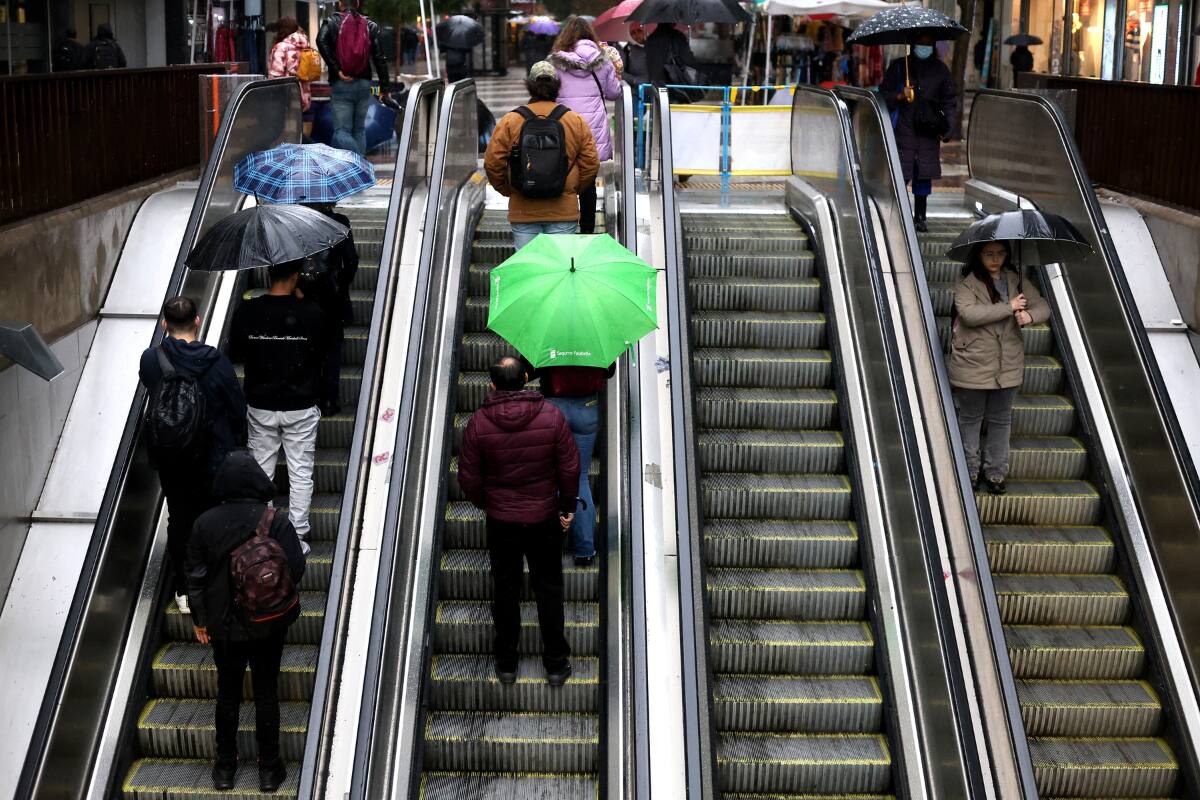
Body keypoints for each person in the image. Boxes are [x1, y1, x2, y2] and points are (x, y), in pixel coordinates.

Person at [186, 451, 305, 792]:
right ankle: (269, 769)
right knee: (266, 692)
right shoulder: (275, 520)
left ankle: (224, 768)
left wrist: (201, 619)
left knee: (228, 693)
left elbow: (194, 575)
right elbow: (296, 568)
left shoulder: (204, 522)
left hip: (224, 627)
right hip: (268, 622)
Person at [457, 356, 580, 686]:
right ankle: (555, 664)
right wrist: (566, 507)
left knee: (506, 590)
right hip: (543, 519)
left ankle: (507, 662)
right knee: (549, 590)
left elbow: (468, 479)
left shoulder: (478, 424)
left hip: (502, 522)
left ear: (492, 385)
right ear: (526, 379)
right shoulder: (552, 417)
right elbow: (569, 468)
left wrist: (491, 503)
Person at [139, 296, 247, 614]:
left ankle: (184, 589)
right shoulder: (215, 362)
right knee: (217, 518)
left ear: (164, 324)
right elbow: (237, 408)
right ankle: (219, 582)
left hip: (173, 458)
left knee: (180, 520)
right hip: (213, 457)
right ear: (197, 321)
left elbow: (153, 389)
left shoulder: (152, 359)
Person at [229, 260, 326, 554]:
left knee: (261, 472)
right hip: (300, 403)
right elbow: (322, 355)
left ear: (268, 274)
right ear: (296, 276)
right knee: (300, 472)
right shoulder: (311, 313)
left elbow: (235, 352)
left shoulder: (248, 311)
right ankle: (296, 536)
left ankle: (264, 536)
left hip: (260, 402)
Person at [948, 241, 1050, 495]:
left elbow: (1043, 306)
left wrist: (1030, 316)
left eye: (1000, 253)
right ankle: (968, 470)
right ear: (979, 255)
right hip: (972, 362)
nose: (996, 259)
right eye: (989, 254)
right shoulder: (967, 283)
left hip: (1008, 363)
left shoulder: (1016, 280)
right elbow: (970, 315)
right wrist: (1009, 307)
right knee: (970, 418)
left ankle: (996, 472)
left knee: (1001, 419)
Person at [484, 61, 600, 251]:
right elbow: (591, 164)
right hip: (563, 211)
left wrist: (512, 189)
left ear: (530, 86)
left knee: (529, 272)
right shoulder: (574, 121)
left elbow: (492, 163)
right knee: (559, 272)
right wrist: (570, 188)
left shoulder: (510, 121)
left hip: (523, 211)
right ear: (557, 87)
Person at [549, 17, 622, 235]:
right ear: (590, 36)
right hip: (592, 130)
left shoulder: (555, 62)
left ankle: (563, 228)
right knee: (588, 181)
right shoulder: (604, 60)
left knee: (564, 178)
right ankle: (587, 230)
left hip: (564, 126)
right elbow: (614, 93)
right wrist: (617, 74)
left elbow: (548, 94)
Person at [537, 362, 614, 565]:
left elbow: (532, 368)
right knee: (580, 476)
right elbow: (609, 371)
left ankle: (549, 546)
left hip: (552, 408)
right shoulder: (595, 336)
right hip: (587, 408)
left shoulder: (549, 334)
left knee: (550, 475)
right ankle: (585, 550)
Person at [880, 35, 957, 232]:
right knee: (899, 173)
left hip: (928, 131)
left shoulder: (941, 70)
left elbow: (949, 101)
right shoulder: (899, 67)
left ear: (933, 45)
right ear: (913, 44)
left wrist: (948, 128)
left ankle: (920, 217)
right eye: (920, 43)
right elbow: (882, 94)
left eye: (927, 43)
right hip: (902, 130)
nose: (924, 46)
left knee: (923, 174)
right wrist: (899, 95)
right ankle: (896, 215)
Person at [299, 202, 359, 416]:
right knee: (332, 350)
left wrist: (297, 289)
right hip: (332, 298)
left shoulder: (296, 221)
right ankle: (329, 401)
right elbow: (351, 260)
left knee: (307, 348)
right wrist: (340, 285)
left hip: (303, 298)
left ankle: (309, 399)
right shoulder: (340, 222)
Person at [317, 0, 393, 155]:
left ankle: (360, 164)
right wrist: (385, 87)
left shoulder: (331, 22)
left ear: (340, 3)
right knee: (359, 130)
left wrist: (337, 69)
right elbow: (379, 57)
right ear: (357, 3)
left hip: (341, 83)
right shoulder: (369, 25)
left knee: (341, 131)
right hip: (364, 83)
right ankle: (360, 169)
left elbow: (321, 41)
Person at [268, 17, 313, 112]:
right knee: (299, 125)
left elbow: (275, 77)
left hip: (285, 99)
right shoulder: (306, 46)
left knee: (286, 126)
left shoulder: (281, 48)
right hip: (304, 97)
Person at [645, 21, 698, 89]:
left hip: (655, 82)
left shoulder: (650, 38)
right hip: (674, 81)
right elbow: (687, 59)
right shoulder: (677, 36)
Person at [622, 23, 649, 89]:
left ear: (644, 32)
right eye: (633, 33)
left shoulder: (653, 48)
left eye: (639, 31)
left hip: (654, 91)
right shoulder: (627, 50)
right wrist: (634, 80)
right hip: (637, 91)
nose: (637, 35)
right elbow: (621, 72)